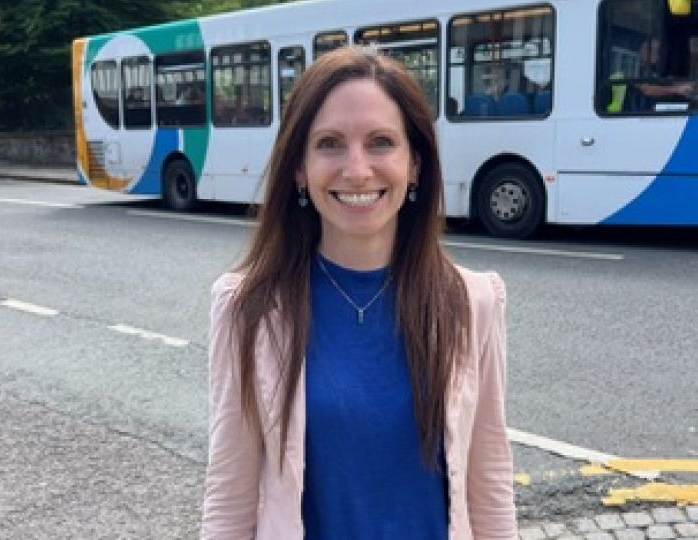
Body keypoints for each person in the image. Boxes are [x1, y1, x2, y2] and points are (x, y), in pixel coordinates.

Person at [201, 46, 517, 540]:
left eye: (380, 142)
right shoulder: (249, 307)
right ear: (299, 169)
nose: (357, 169)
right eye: (329, 143)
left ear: (415, 163)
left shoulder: (472, 301)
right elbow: (228, 496)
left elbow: (490, 483)